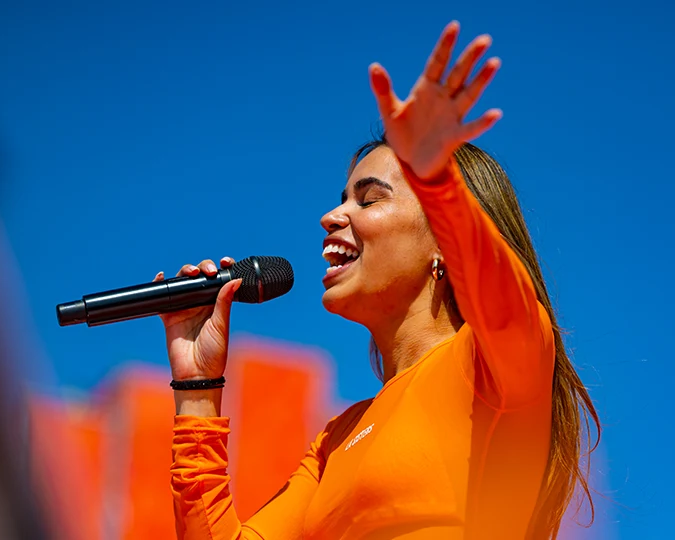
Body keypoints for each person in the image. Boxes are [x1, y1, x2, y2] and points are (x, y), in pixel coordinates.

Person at [163, 22, 599, 539]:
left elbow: (505, 301)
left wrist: (436, 180)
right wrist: (197, 387)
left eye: (369, 200)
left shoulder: (496, 365)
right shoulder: (336, 439)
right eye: (343, 199)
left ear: (445, 242)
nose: (331, 216)